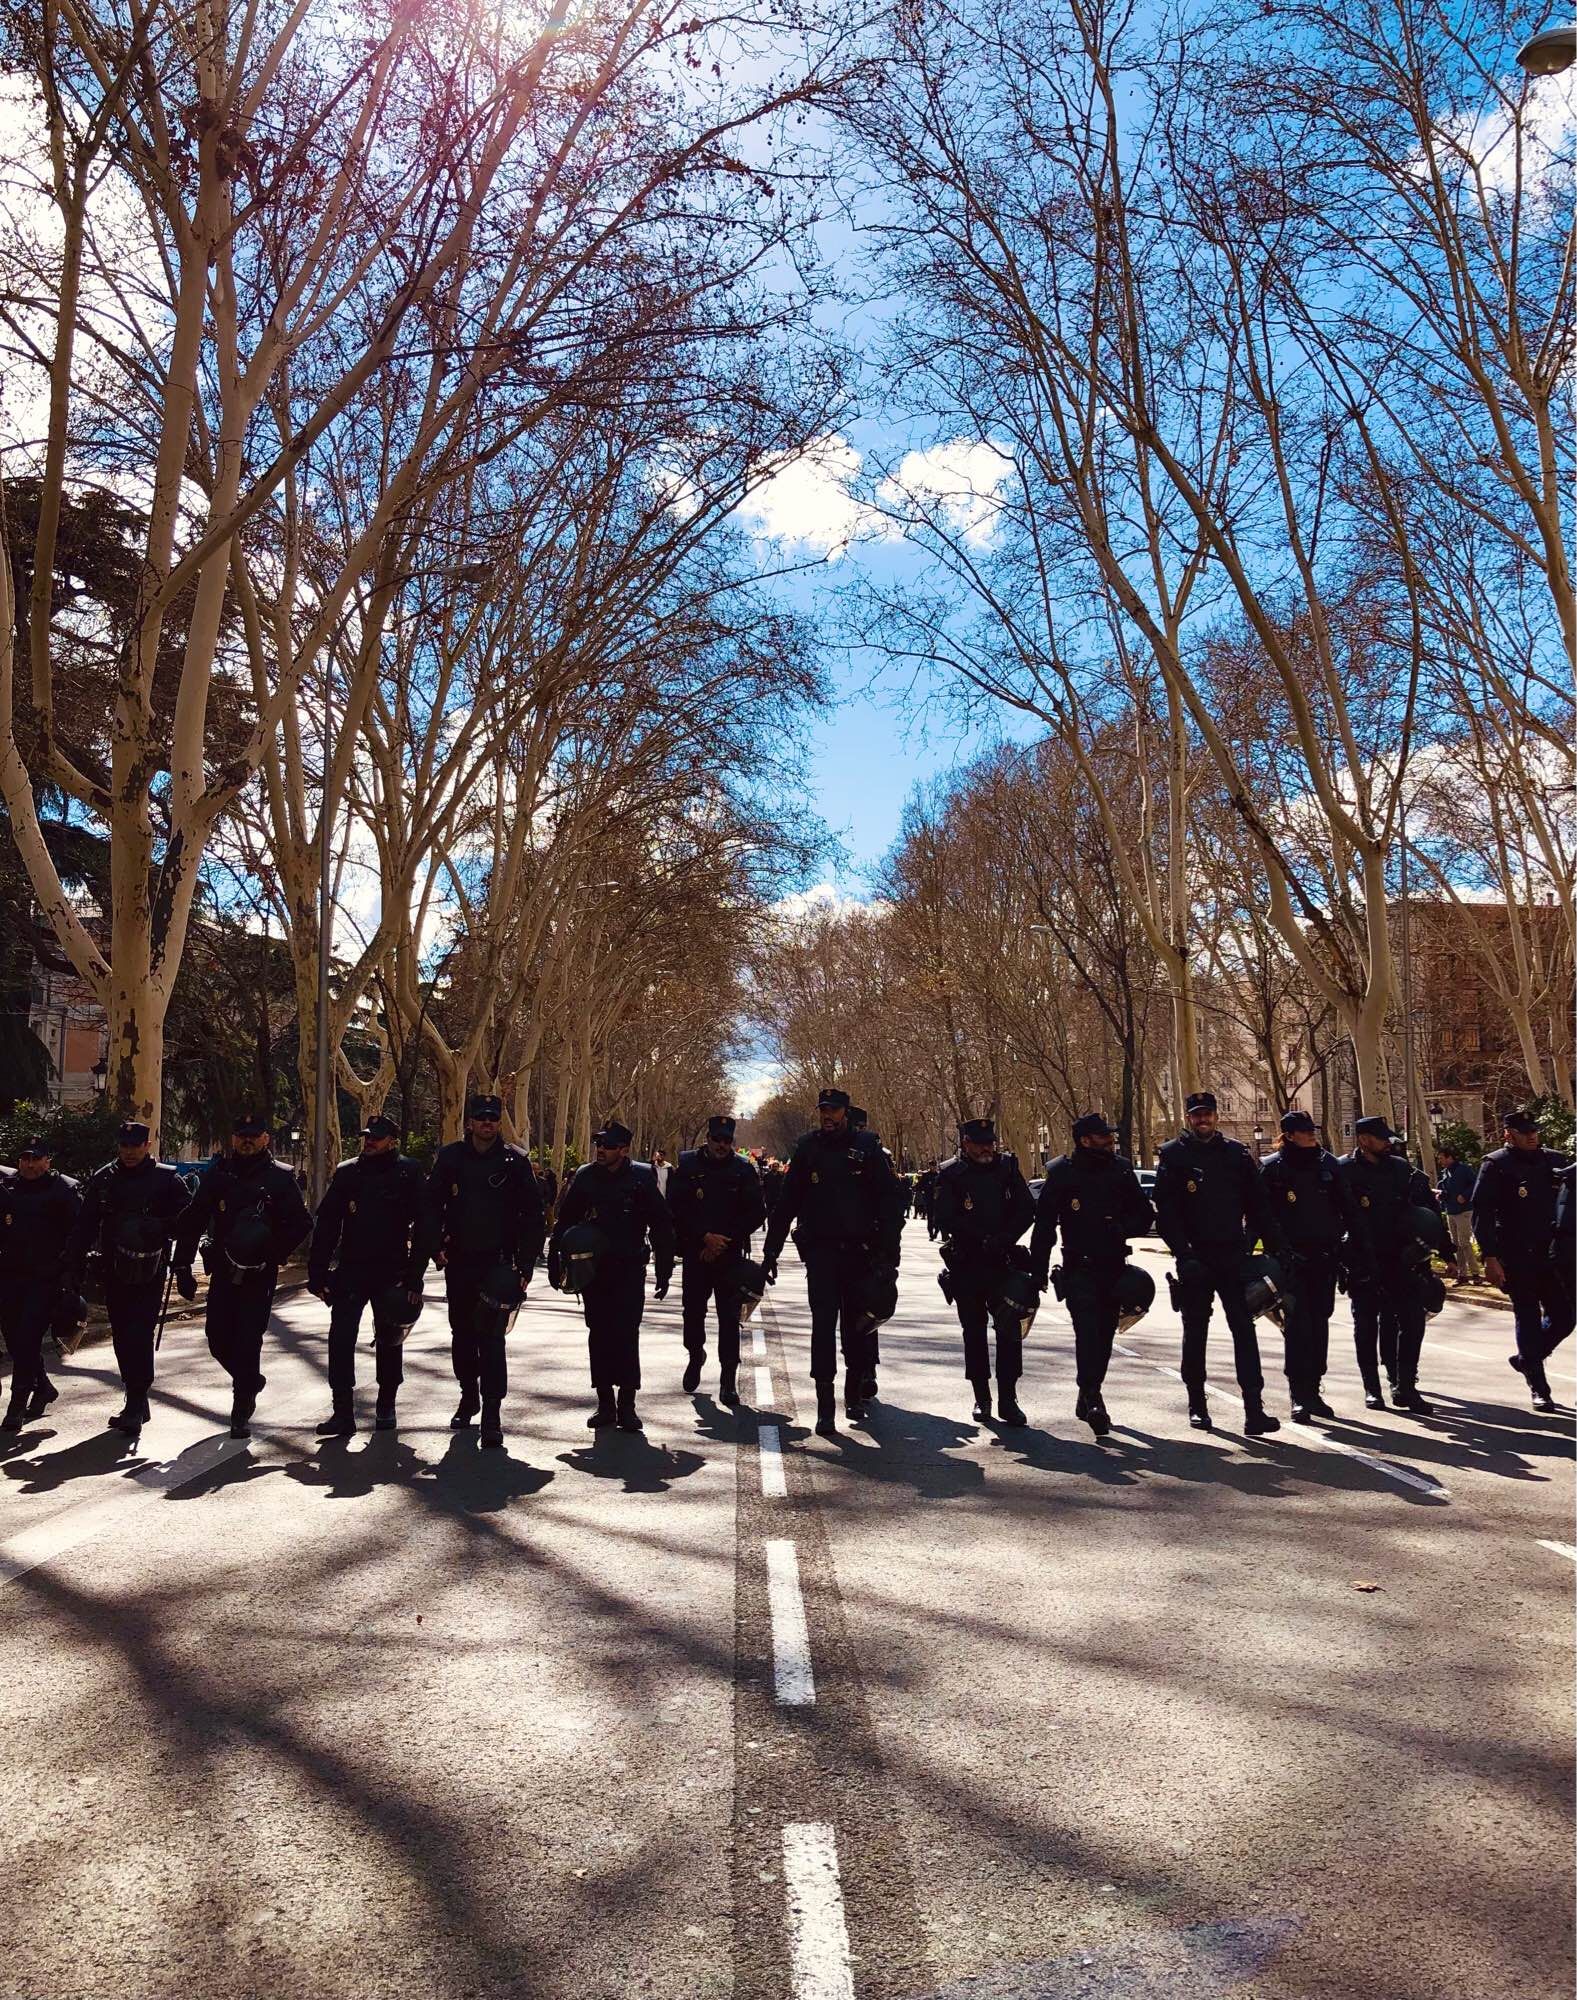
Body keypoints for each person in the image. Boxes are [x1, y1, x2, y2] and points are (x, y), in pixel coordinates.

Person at [760, 1086, 903, 1435]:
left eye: (834, 1110)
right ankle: (825, 1405)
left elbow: (890, 1204)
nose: (828, 1116)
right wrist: (770, 1252)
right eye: (823, 1109)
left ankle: (853, 1392)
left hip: (860, 1254)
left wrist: (888, 1256)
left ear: (845, 1112)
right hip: (821, 1255)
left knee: (855, 1330)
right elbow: (787, 1204)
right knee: (822, 1327)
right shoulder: (808, 1147)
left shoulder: (867, 1148)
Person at [1154, 1089, 1287, 1434]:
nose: (1203, 1120)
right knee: (1195, 1331)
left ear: (1215, 1116)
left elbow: (1259, 1206)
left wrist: (1261, 1245)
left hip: (1233, 1256)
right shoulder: (1173, 1156)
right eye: (1197, 1115)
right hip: (1196, 1258)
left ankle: (1254, 1409)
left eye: (1208, 1114)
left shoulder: (1236, 1155)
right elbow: (1167, 1214)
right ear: (1188, 1118)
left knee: (1244, 1330)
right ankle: (1197, 1404)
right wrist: (1183, 1254)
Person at [171, 1113, 311, 1439]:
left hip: (259, 1276)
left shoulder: (280, 1178)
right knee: (218, 1339)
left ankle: (241, 1405)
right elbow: (193, 1219)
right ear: (233, 1138)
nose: (247, 1140)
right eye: (241, 1134)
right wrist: (181, 1267)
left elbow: (302, 1223)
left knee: (249, 1340)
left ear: (265, 1139)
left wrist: (273, 1253)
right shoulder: (219, 1173)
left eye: (254, 1134)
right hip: (222, 1270)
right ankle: (250, 1381)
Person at [422, 1093, 546, 1447]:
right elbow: (430, 1206)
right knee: (461, 1335)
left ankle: (492, 1413)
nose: (487, 1123)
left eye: (493, 1117)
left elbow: (532, 1217)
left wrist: (525, 1266)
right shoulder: (450, 1158)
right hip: (460, 1261)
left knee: (492, 1339)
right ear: (470, 1122)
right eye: (481, 1117)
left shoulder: (514, 1161)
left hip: (499, 1263)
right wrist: (434, 1247)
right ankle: (468, 1395)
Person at [1031, 1112, 1155, 1435]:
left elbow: (1143, 1216)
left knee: (1104, 1336)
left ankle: (1087, 1392)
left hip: (1113, 1266)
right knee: (1087, 1333)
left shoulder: (1121, 1170)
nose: (1110, 1140)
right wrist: (1038, 1270)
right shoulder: (1062, 1173)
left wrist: (1122, 1228)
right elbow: (1044, 1225)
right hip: (1078, 1267)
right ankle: (1094, 1397)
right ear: (1085, 1140)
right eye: (1103, 1136)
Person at [308, 1114, 429, 1437]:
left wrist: (415, 1276)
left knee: (390, 1340)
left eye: (377, 1136)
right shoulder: (349, 1173)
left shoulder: (408, 1172)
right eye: (367, 1136)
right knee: (340, 1339)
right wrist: (317, 1273)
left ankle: (386, 1404)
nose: (369, 1141)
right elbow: (328, 1224)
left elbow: (425, 1228)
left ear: (392, 1140)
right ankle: (342, 1411)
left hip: (392, 1271)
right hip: (352, 1269)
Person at [550, 1119, 675, 1431]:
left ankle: (628, 1405)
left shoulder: (642, 1177)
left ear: (623, 1148)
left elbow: (661, 1224)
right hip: (593, 1270)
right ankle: (605, 1403)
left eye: (608, 1145)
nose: (601, 1149)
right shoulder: (585, 1176)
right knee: (599, 1333)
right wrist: (556, 1258)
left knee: (627, 1333)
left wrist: (664, 1268)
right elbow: (564, 1221)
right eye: (598, 1144)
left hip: (630, 1268)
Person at [71, 1120, 191, 1436]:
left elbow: (189, 1220)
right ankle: (135, 1393)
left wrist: (163, 1229)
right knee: (123, 1337)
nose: (129, 1152)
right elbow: (84, 1226)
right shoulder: (104, 1179)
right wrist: (72, 1266)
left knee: (139, 1334)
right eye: (124, 1146)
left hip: (150, 1270)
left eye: (135, 1146)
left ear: (147, 1145)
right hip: (113, 1270)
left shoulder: (166, 1179)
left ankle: (136, 1401)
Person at [1257, 1110, 1362, 1422]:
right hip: (1290, 1261)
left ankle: (1314, 1388)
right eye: (1304, 1131)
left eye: (1311, 1129)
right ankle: (1298, 1394)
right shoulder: (1272, 1169)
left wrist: (1354, 1248)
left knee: (1320, 1323)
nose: (1311, 1134)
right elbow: (1261, 1216)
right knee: (1297, 1325)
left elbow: (1348, 1209)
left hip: (1325, 1257)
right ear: (1289, 1135)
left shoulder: (1327, 1164)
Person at [932, 1116, 1037, 1423]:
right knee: (974, 1332)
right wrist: (979, 1239)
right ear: (966, 1144)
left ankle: (1008, 1398)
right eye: (979, 1144)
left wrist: (1004, 1239)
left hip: (1002, 1262)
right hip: (968, 1263)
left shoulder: (1006, 1168)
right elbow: (945, 1217)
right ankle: (982, 1397)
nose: (986, 1149)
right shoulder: (951, 1174)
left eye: (989, 1143)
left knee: (1009, 1332)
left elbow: (1026, 1210)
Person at [1339, 1115, 1441, 1414]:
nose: (1387, 1142)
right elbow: (1335, 1216)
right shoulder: (1344, 1170)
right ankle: (1372, 1388)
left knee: (1412, 1321)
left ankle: (1405, 1385)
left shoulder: (1399, 1168)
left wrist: (1423, 1244)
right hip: (1363, 1260)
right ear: (1364, 1140)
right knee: (1366, 1325)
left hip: (1401, 1259)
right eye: (1381, 1137)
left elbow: (1418, 1208)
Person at [1473, 1109, 1571, 1413]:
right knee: (1527, 1317)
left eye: (1534, 1131)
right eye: (1524, 1131)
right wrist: (1489, 1256)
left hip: (1552, 1255)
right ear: (1508, 1134)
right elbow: (1482, 1214)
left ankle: (1527, 1359)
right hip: (1516, 1255)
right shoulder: (1496, 1165)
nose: (1532, 1136)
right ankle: (1539, 1388)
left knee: (1566, 1317)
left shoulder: (1554, 1161)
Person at [666, 1115, 767, 1404]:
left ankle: (728, 1379)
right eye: (716, 1140)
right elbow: (675, 1208)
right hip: (696, 1253)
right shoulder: (688, 1166)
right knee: (693, 1314)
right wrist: (703, 1237)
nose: (721, 1145)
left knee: (729, 1318)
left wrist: (724, 1241)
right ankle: (695, 1354)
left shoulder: (743, 1170)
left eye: (726, 1141)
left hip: (729, 1256)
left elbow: (756, 1212)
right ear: (707, 1139)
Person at [0, 1136, 83, 1430]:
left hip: (46, 1279)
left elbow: (79, 1236)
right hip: (10, 1277)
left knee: (27, 1337)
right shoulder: (8, 1189)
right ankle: (44, 1388)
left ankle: (17, 1403)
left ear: (48, 1161)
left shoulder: (64, 1190)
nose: (30, 1165)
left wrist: (69, 1273)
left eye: (36, 1159)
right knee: (14, 1339)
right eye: (25, 1159)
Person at [1434, 1142, 1480, 1283]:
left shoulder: (1463, 1169)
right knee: (1456, 1244)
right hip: (1451, 1211)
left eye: (1441, 1158)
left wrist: (1465, 1195)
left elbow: (1475, 1183)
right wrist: (1441, 1195)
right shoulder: (1445, 1173)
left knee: (1464, 1242)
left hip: (1464, 1211)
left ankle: (1475, 1273)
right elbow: (1446, 1190)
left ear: (1450, 1157)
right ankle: (1462, 1274)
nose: (1440, 1161)